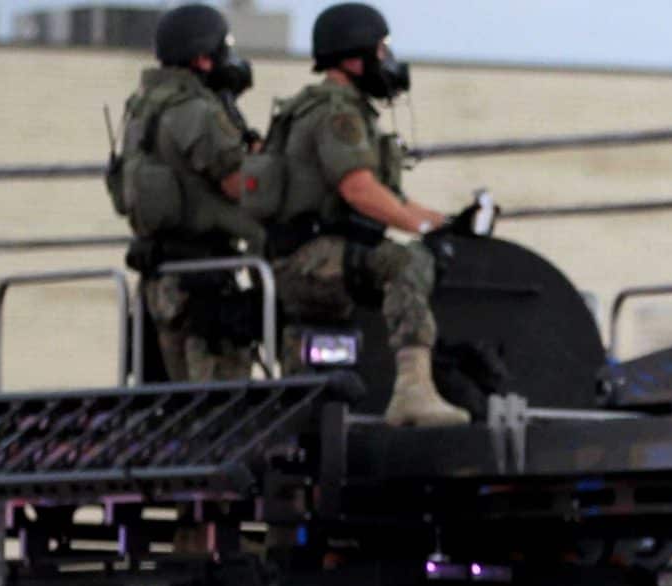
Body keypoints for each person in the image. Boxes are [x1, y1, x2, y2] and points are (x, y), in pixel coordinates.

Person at [259, 3, 470, 427]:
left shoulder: (327, 107)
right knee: (406, 261)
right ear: (355, 58)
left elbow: (389, 199)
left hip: (306, 255)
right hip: (309, 257)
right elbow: (358, 189)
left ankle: (305, 415)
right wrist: (420, 230)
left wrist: (446, 224)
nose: (388, 62)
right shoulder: (338, 114)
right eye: (382, 50)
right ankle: (413, 391)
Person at [107, 4, 264, 382]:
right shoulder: (197, 111)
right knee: (223, 410)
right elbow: (237, 183)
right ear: (203, 58)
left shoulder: (141, 110)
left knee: (168, 408)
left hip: (157, 283)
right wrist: (265, 163)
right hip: (204, 284)